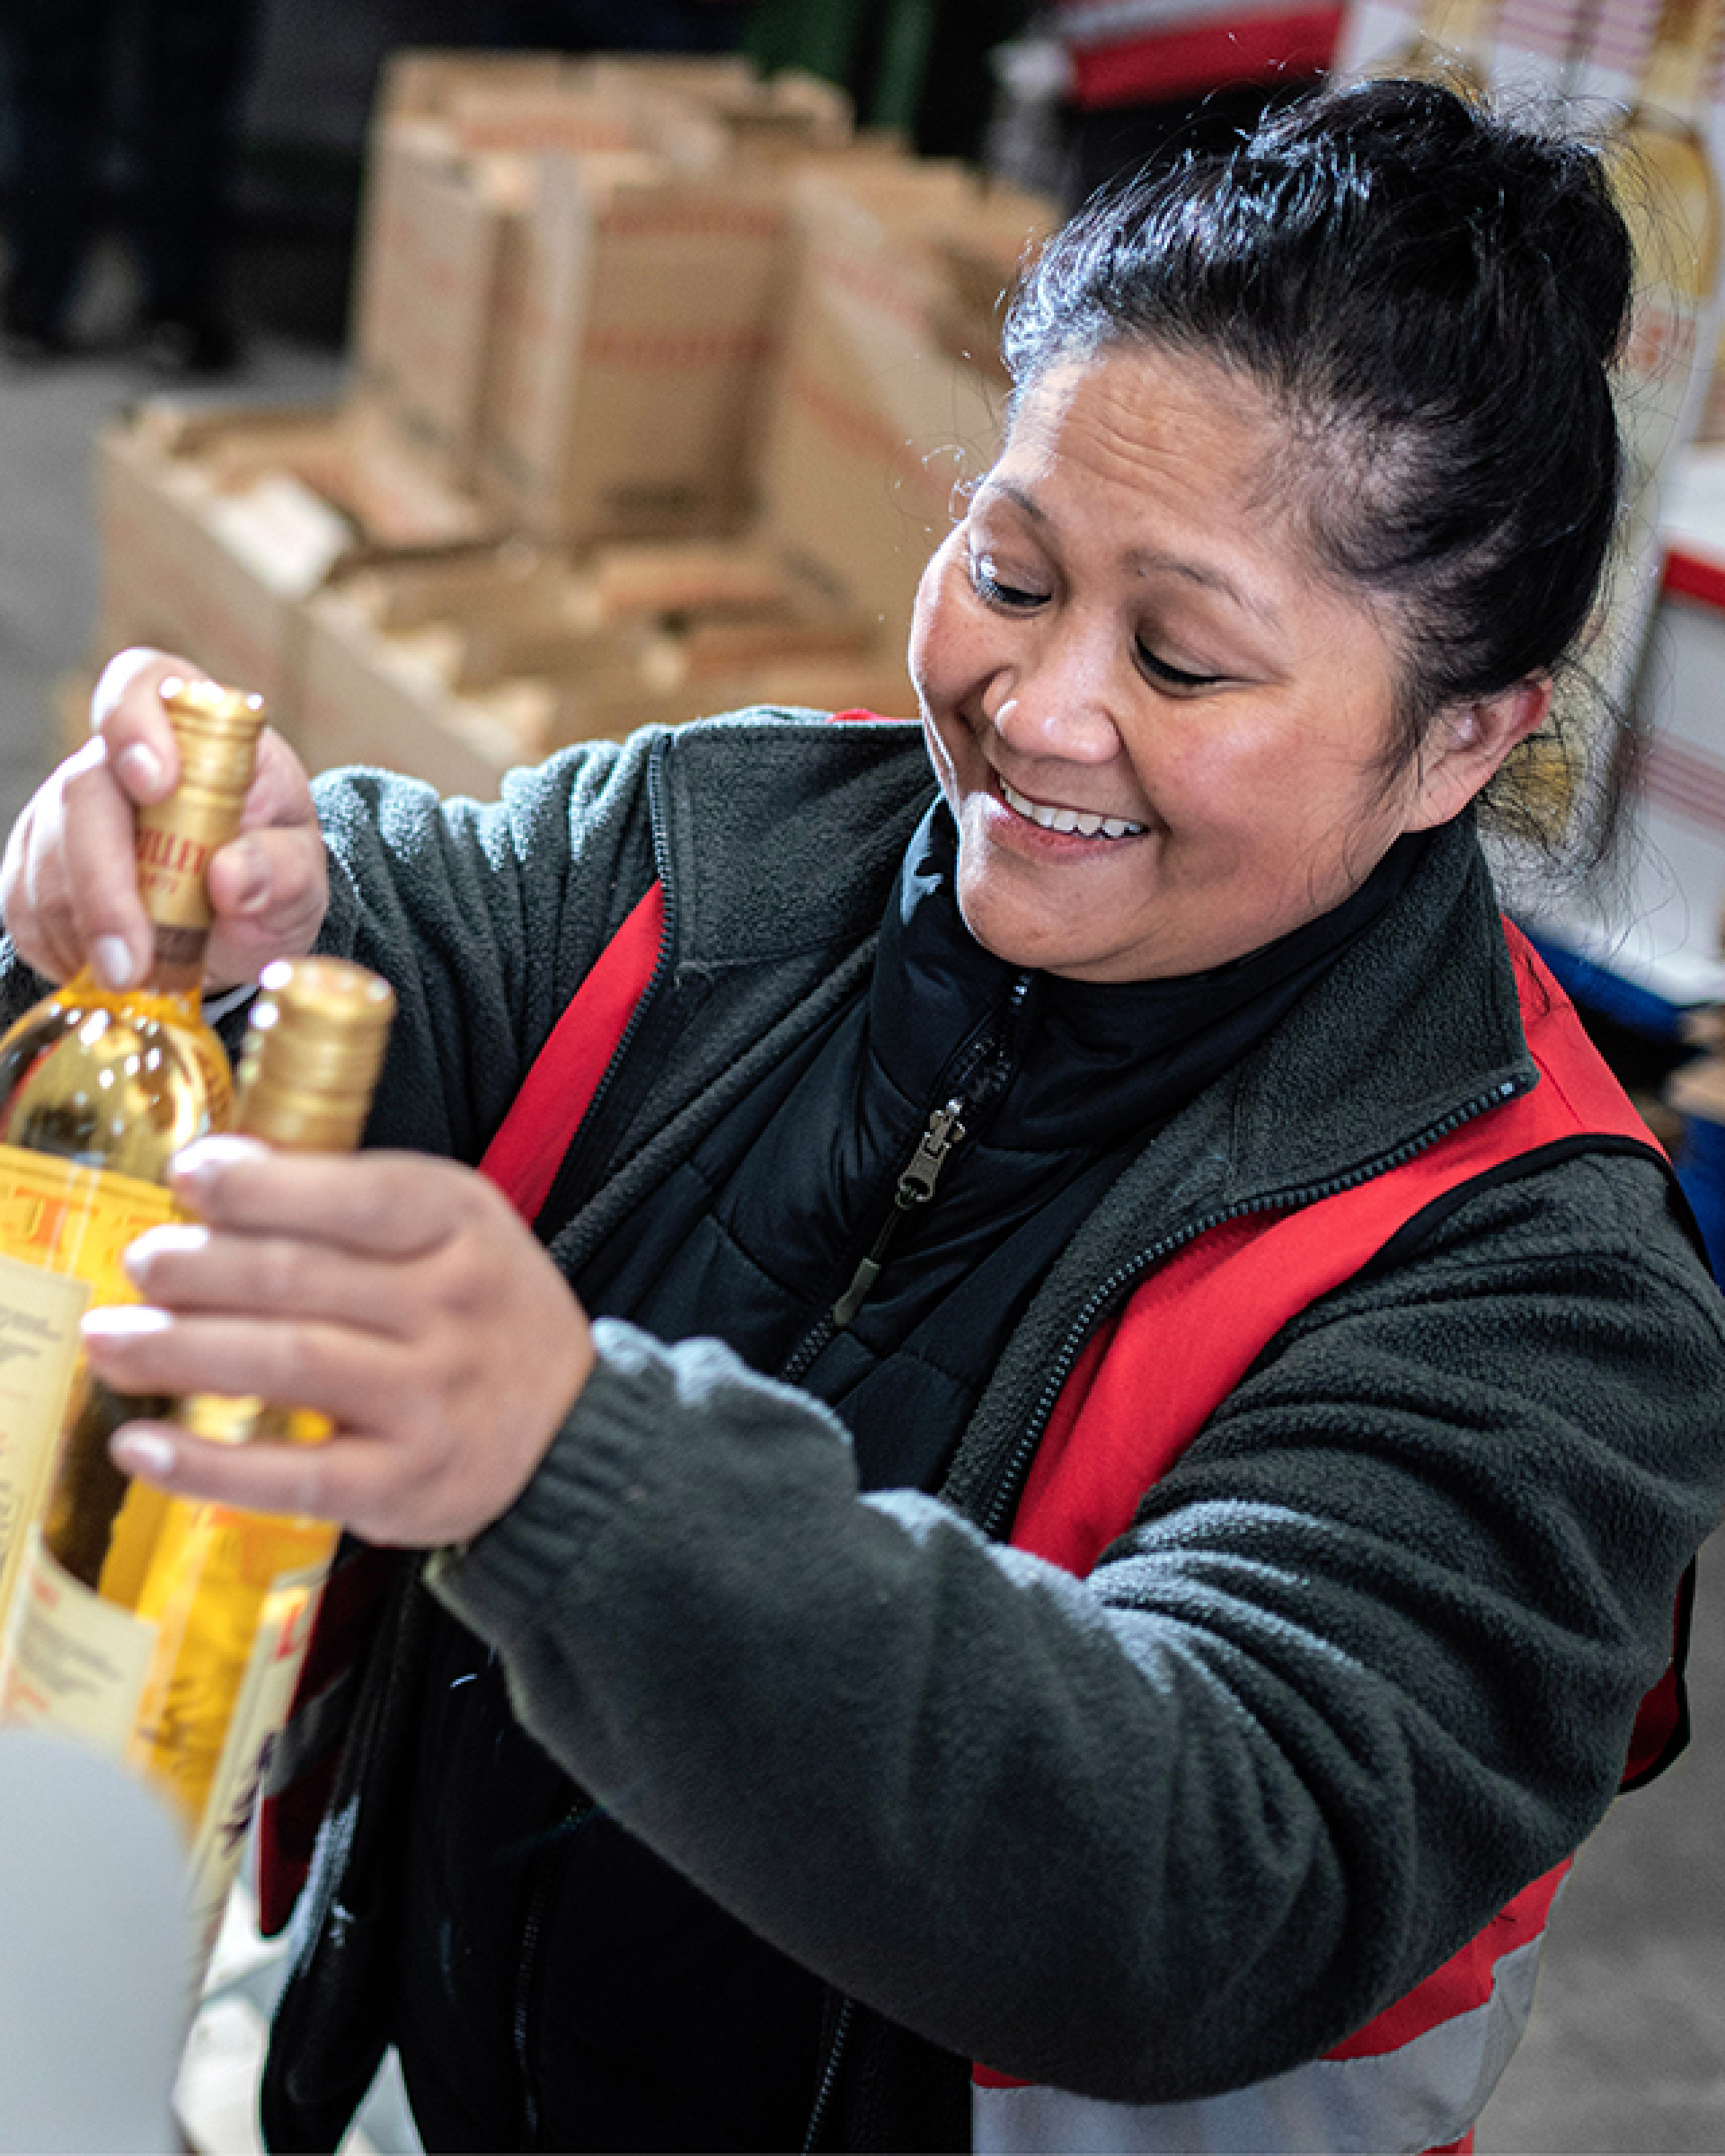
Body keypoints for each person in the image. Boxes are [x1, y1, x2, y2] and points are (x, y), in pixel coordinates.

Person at [4, 75, 1724, 2156]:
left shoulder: (1536, 1286)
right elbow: (379, 931)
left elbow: (1206, 1865)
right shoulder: (715, 854)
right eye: (1008, 572)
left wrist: (570, 1465)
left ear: (1460, 740)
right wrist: (164, 920)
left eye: (1184, 664)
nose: (1040, 710)